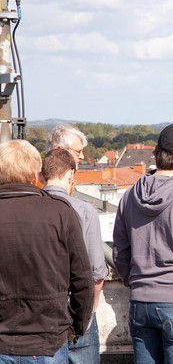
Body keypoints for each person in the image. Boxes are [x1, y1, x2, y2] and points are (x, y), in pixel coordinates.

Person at [112, 124, 173, 363]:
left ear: (157, 153)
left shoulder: (129, 196)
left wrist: (135, 282)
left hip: (140, 302)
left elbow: (120, 254)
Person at [0, 140, 94, 362]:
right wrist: (75, 329)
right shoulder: (60, 212)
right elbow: (82, 280)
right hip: (47, 341)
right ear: (36, 176)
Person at [42, 148, 108, 364]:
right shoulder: (83, 210)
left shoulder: (32, 209)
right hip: (77, 310)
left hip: (42, 318)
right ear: (70, 174)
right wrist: (91, 309)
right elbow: (97, 271)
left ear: (42, 176)